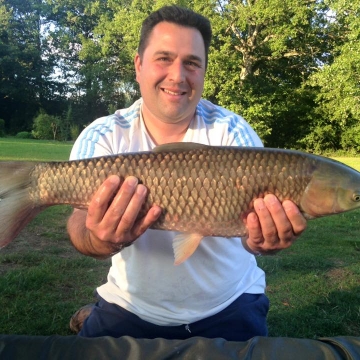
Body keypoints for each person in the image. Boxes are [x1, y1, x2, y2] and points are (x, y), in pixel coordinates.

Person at [67, 5, 307, 341]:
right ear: (138, 65)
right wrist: (98, 238)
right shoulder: (105, 135)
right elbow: (79, 225)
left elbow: (254, 239)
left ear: (204, 71)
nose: (178, 75)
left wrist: (263, 242)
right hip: (130, 304)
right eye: (163, 58)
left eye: (192, 63)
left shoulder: (233, 133)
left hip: (228, 302)